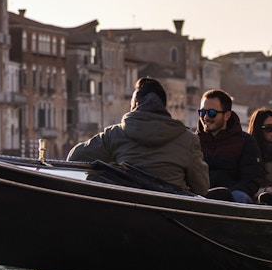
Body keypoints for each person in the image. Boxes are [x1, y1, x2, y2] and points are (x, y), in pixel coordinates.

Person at [67, 76, 209, 195]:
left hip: (128, 209)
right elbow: (201, 188)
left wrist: (112, 167)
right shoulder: (189, 139)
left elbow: (75, 157)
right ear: (163, 107)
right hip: (172, 213)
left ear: (136, 105)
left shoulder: (115, 134)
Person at [197, 89, 263, 203]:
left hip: (233, 198)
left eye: (212, 113)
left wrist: (224, 195)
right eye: (202, 112)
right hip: (201, 196)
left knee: (240, 197)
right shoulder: (194, 142)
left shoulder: (245, 142)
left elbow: (251, 181)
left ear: (227, 115)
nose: (206, 117)